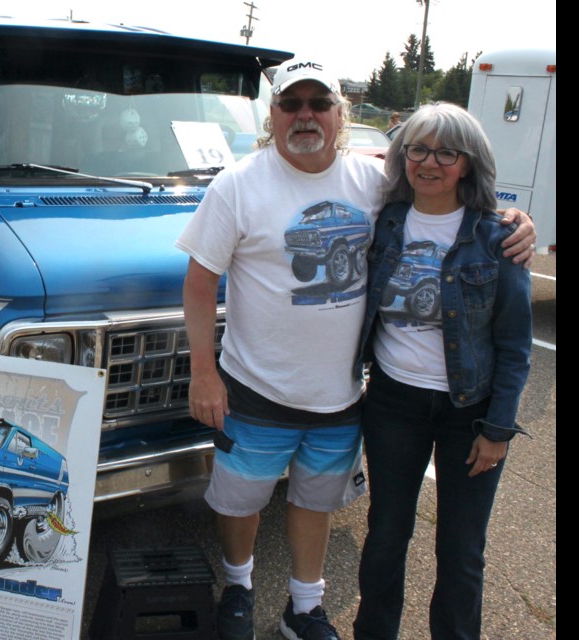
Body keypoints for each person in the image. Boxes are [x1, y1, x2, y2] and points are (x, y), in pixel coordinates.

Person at [175, 57, 536, 640]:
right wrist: (203, 372)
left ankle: (304, 608)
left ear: (341, 115)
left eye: (319, 104)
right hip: (255, 385)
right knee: (241, 500)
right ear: (274, 115)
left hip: (341, 396)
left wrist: (515, 220)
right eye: (292, 104)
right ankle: (238, 587)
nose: (306, 115)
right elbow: (199, 281)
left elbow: (449, 197)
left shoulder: (375, 183)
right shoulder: (237, 184)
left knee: (316, 501)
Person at [352, 103, 532, 640]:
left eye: (446, 152)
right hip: (392, 405)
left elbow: (515, 345)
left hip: (469, 414)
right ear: (402, 155)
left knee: (461, 551)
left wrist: (498, 431)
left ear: (469, 163)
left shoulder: (497, 238)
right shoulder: (383, 220)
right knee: (385, 535)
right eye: (418, 149)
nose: (430, 163)